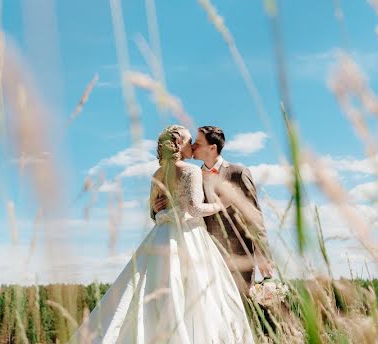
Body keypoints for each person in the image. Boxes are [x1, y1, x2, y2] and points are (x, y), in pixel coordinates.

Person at [68, 125, 254, 343]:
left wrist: (159, 211)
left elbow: (153, 212)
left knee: (152, 287)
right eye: (187, 140)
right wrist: (221, 205)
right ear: (177, 144)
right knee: (195, 292)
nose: (191, 144)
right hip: (187, 235)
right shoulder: (190, 170)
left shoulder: (157, 174)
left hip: (161, 235)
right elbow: (194, 209)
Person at [154, 125, 272, 295]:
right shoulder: (190, 175)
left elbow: (254, 217)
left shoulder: (238, 173)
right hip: (203, 256)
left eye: (198, 143)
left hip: (238, 256)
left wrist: (262, 255)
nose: (193, 145)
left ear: (212, 147)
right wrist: (158, 207)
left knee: (242, 311)